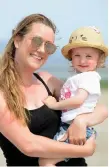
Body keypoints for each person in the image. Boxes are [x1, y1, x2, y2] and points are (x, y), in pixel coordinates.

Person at [0, 14, 107, 166]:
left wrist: (81, 121)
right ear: (17, 40)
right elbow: (29, 145)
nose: (42, 50)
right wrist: (85, 150)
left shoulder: (47, 81)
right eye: (37, 41)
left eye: (49, 46)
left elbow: (100, 109)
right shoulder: (2, 92)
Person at [41, 26, 108, 166]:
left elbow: (78, 101)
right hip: (70, 127)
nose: (82, 60)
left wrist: (54, 105)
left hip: (75, 129)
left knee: (46, 161)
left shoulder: (89, 78)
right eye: (77, 55)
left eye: (88, 56)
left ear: (99, 59)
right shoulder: (79, 77)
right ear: (71, 57)